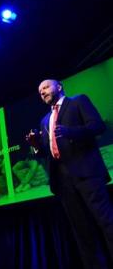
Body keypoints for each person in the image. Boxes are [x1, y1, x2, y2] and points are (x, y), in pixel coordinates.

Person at [26, 79, 113, 268]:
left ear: (59, 86)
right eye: (40, 91)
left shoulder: (78, 101)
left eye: (46, 87)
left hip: (87, 173)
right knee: (82, 233)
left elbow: (98, 126)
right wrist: (36, 147)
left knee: (107, 222)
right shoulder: (44, 120)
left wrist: (70, 131)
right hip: (63, 182)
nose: (42, 92)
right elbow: (47, 152)